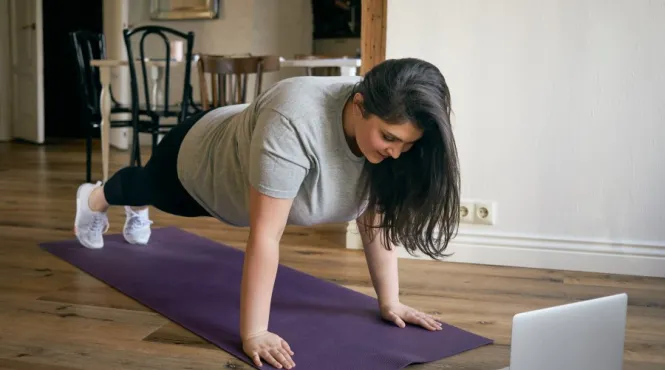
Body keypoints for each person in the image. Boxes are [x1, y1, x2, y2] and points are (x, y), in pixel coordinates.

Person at [73, 57, 460, 369]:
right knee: (146, 187)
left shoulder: (391, 128)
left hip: (249, 136)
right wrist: (255, 332)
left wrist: (390, 302)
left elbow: (374, 219)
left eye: (407, 144)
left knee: (145, 192)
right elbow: (265, 236)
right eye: (389, 138)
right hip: (199, 161)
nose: (396, 151)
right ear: (358, 107)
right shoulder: (296, 121)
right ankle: (96, 198)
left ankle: (135, 203)